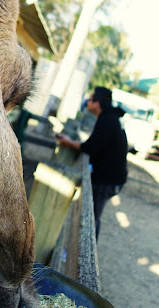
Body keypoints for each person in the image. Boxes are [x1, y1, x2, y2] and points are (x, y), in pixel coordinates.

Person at [55, 86, 128, 240]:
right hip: (109, 179)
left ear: (96, 103)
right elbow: (95, 145)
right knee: (90, 214)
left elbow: (91, 148)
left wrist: (68, 143)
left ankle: (84, 253)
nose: (87, 102)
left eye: (90, 99)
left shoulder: (107, 121)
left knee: (90, 218)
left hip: (106, 181)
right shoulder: (109, 119)